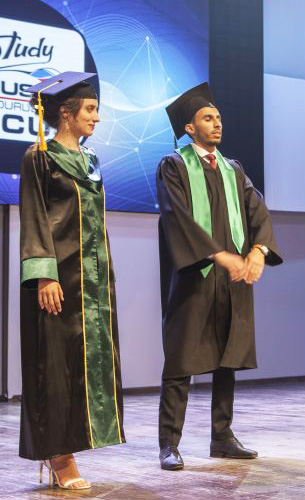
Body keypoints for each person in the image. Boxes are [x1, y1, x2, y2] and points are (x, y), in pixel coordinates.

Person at [156, 82, 282, 470]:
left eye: (219, 118)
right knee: (180, 360)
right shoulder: (174, 166)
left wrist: (258, 251)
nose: (217, 124)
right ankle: (168, 443)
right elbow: (177, 217)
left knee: (227, 356)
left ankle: (222, 437)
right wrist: (219, 255)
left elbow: (258, 211)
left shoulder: (232, 168)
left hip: (233, 279)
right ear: (189, 128)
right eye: (207, 118)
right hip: (195, 277)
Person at [20, 72, 124, 490]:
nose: (97, 118)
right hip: (57, 279)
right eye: (91, 110)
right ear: (66, 113)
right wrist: (44, 273)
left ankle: (74, 446)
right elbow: (34, 215)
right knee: (55, 366)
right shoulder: (39, 157)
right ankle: (58, 456)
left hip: (92, 282)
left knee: (84, 368)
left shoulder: (91, 162)